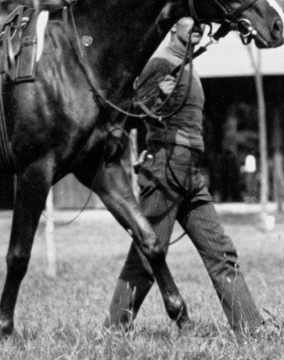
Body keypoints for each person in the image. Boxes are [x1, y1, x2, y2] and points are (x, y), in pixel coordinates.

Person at [105, 17, 264, 333]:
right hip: (165, 169)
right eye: (189, 20)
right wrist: (156, 95)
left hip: (189, 172)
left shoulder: (187, 65)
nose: (198, 26)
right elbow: (129, 112)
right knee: (148, 253)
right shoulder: (160, 64)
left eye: (201, 23)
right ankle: (114, 330)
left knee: (221, 251)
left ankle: (250, 328)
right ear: (171, 26)